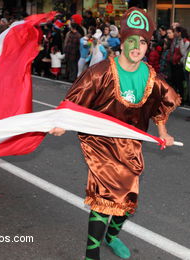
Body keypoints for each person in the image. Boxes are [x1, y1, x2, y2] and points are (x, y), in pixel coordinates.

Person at [49, 7, 181, 260]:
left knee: (127, 202)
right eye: (133, 40)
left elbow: (161, 104)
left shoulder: (151, 77)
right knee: (104, 197)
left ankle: (111, 236)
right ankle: (91, 254)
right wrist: (62, 122)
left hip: (131, 146)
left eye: (143, 42)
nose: (138, 47)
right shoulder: (100, 72)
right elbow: (74, 101)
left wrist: (163, 132)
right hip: (102, 145)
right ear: (122, 41)